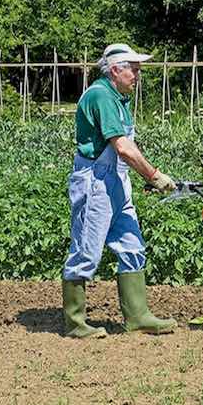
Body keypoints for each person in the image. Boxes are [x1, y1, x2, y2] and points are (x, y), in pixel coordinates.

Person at [61, 43, 177, 338]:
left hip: (116, 180)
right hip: (96, 182)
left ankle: (138, 316)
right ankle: (75, 323)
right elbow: (122, 147)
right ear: (115, 70)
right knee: (87, 249)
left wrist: (141, 175)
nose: (138, 75)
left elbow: (126, 151)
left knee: (131, 244)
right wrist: (153, 175)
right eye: (133, 69)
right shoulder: (101, 95)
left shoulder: (118, 98)